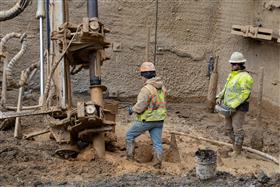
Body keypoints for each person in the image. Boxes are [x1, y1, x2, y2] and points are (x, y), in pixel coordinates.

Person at [126, 61, 167, 169]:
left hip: (147, 120)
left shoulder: (146, 89)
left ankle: (129, 158)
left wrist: (131, 109)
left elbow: (140, 107)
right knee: (157, 143)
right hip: (159, 120)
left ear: (145, 75)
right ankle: (158, 164)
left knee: (129, 135)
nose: (141, 78)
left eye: (142, 75)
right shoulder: (162, 87)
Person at [216, 52, 253, 157]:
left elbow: (245, 94)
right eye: (231, 64)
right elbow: (226, 88)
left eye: (234, 64)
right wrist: (219, 96)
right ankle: (234, 146)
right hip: (228, 107)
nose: (232, 66)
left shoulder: (246, 77)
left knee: (237, 129)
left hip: (239, 108)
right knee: (228, 128)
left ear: (240, 64)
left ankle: (237, 151)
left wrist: (234, 104)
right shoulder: (232, 75)